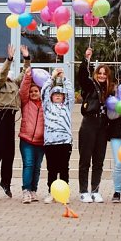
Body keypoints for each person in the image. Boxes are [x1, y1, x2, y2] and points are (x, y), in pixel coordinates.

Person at [0, 44, 29, 198]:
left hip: (10, 118)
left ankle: (5, 182)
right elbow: (2, 74)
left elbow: (24, 74)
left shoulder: (14, 83)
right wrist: (9, 59)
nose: (7, 71)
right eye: (2, 70)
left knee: (9, 153)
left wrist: (26, 58)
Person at [77, 48, 114, 203]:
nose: (102, 76)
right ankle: (83, 191)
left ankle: (95, 190)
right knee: (85, 159)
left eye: (105, 74)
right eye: (100, 73)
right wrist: (86, 60)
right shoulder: (90, 85)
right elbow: (82, 76)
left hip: (103, 126)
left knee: (99, 160)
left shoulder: (111, 89)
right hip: (89, 124)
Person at [42, 68, 74, 204]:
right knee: (52, 169)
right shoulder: (47, 106)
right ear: (51, 96)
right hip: (50, 143)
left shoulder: (67, 106)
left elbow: (71, 93)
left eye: (60, 95)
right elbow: (43, 92)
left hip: (65, 142)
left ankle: (64, 194)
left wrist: (64, 79)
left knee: (64, 168)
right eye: (55, 94)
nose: (58, 96)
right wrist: (52, 78)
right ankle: (51, 192)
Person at [18, 53, 45, 204]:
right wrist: (28, 76)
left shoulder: (46, 105)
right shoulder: (26, 102)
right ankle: (26, 190)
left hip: (41, 141)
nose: (34, 93)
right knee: (28, 164)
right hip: (27, 139)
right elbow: (23, 90)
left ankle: (34, 190)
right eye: (32, 91)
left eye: (37, 91)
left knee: (37, 166)